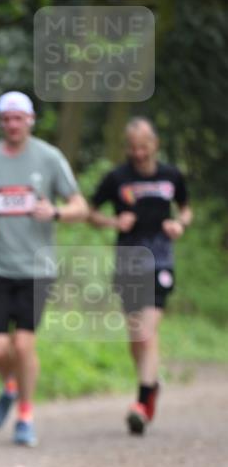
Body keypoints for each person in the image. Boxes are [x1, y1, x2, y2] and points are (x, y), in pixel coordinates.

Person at [0, 91, 88, 447]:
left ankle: (26, 416)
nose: (13, 124)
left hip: (37, 267)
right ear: (1, 122)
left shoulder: (49, 158)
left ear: (30, 120)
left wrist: (58, 212)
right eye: (7, 119)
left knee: (23, 343)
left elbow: (80, 204)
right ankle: (12, 386)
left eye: (20, 118)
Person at [89, 117, 192, 434]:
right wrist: (113, 223)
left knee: (147, 331)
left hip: (161, 260)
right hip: (128, 261)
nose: (139, 153)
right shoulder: (117, 177)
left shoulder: (171, 175)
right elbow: (91, 212)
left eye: (144, 147)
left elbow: (186, 207)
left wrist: (180, 224)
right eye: (133, 148)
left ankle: (141, 402)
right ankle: (151, 385)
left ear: (155, 144)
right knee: (137, 337)